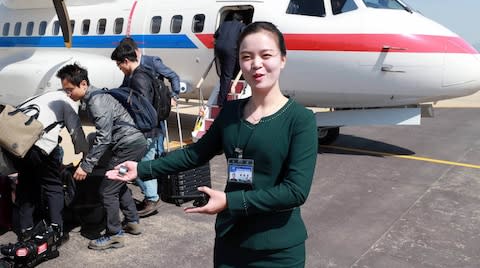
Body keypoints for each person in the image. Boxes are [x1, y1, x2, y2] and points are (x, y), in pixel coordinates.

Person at [107, 21, 318, 267]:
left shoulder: (300, 120)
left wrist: (230, 202)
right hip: (231, 239)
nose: (256, 64)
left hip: (277, 249)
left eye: (266, 55)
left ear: (282, 59)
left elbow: (295, 191)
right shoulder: (230, 112)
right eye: (246, 57)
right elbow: (195, 154)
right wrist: (142, 169)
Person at [56, 63, 148, 250]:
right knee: (117, 183)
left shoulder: (96, 101)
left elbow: (104, 137)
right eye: (65, 90)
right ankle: (132, 222)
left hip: (127, 148)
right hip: (132, 145)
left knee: (107, 191)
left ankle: (114, 235)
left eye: (70, 89)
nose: (68, 94)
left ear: (83, 84)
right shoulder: (95, 98)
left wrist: (86, 165)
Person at [6, 90, 88, 243]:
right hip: (41, 145)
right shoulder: (66, 101)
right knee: (53, 185)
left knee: (26, 186)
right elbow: (75, 130)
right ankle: (56, 229)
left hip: (18, 146)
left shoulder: (36, 97)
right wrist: (85, 155)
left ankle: (26, 231)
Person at [115, 37, 181, 217]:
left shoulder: (140, 76)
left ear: (127, 60)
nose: (119, 68)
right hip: (151, 128)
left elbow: (142, 107)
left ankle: (152, 198)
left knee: (140, 164)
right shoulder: (139, 73)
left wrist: (175, 95)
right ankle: (151, 196)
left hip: (147, 129)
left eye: (120, 64)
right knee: (146, 161)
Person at [213, 12, 246, 107]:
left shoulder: (223, 24)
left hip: (218, 49)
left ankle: (232, 76)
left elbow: (215, 35)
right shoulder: (241, 26)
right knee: (227, 75)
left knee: (224, 73)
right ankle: (221, 102)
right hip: (230, 50)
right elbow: (245, 38)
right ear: (241, 20)